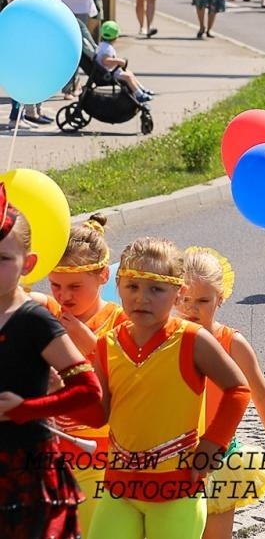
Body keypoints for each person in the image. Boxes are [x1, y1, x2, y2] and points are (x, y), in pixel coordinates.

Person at [93, 236, 250, 539]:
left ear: (178, 293)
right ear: (119, 286)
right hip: (119, 488)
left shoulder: (192, 340)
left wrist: (212, 444)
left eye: (156, 289)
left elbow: (238, 390)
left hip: (176, 491)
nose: (142, 298)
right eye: (133, 287)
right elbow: (99, 414)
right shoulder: (106, 344)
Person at [0, 198, 107, 539]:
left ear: (27, 264)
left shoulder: (34, 319)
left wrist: (28, 407)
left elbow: (90, 393)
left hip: (27, 470)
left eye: (2, 259)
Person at [177, 247, 265, 539]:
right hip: (172, 458)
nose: (192, 308)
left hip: (220, 460)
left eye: (203, 300)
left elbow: (262, 395)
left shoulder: (232, 343)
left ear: (221, 298)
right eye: (185, 300)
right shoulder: (165, 339)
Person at [44, 215, 121, 531]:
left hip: (101, 457)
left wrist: (90, 345)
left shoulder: (121, 323)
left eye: (75, 286)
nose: (64, 296)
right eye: (55, 285)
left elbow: (128, 389)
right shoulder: (47, 315)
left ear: (103, 275)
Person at [94, 21, 155, 103]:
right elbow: (105, 61)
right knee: (128, 77)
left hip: (107, 71)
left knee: (129, 73)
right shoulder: (107, 48)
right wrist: (119, 61)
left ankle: (141, 89)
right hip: (108, 73)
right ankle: (139, 94)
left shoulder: (102, 45)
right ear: (116, 36)